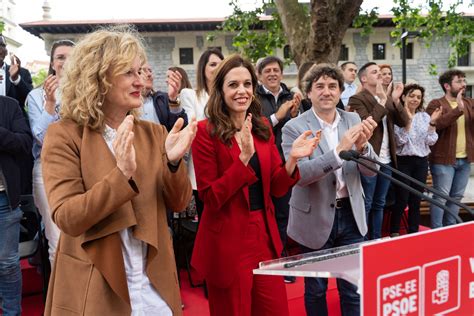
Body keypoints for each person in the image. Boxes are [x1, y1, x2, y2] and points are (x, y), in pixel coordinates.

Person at [41, 26, 196, 315]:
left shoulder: (153, 132)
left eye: (140, 71)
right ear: (98, 79)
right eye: (129, 73)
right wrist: (120, 176)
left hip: (153, 287)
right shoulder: (64, 135)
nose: (141, 81)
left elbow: (179, 203)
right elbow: (68, 217)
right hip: (96, 286)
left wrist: (174, 164)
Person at [191, 54, 319, 316]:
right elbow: (210, 197)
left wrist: (293, 159)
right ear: (220, 90)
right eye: (233, 85)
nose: (242, 91)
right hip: (228, 241)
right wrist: (243, 161)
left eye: (247, 84)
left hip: (265, 235)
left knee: (276, 310)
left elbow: (277, 187)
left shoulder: (262, 127)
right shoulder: (205, 132)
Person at [282, 64, 378, 316]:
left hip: (351, 214)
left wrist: (364, 148)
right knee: (315, 289)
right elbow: (300, 176)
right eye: (320, 87)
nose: (326, 92)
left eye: (332, 86)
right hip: (314, 217)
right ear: (309, 93)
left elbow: (370, 171)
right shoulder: (294, 127)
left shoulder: (353, 119)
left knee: (351, 287)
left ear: (340, 91)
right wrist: (338, 152)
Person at [27, 39, 75, 266]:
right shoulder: (36, 96)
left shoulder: (87, 92)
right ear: (52, 63)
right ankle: (63, 301)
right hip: (47, 171)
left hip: (80, 168)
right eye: (60, 57)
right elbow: (42, 138)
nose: (65, 62)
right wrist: (50, 105)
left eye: (70, 57)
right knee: (58, 241)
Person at [348, 62, 409, 240]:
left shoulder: (386, 97)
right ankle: (363, 241)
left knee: (379, 203)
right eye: (375, 72)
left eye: (381, 72)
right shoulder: (357, 99)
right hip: (369, 159)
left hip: (388, 160)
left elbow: (403, 121)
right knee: (366, 203)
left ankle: (375, 240)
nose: (380, 75)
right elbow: (368, 123)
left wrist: (395, 100)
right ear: (364, 78)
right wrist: (382, 102)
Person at [255, 56, 301, 282]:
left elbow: (301, 128)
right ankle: (264, 259)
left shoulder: (292, 96)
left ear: (282, 74)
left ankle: (281, 260)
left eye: (276, 70)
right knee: (263, 215)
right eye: (267, 71)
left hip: (286, 164)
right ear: (260, 75)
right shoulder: (253, 97)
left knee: (284, 215)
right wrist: (277, 116)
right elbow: (253, 128)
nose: (272, 74)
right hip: (259, 164)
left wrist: (294, 115)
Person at [389, 84, 441, 236]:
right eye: (412, 96)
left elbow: (430, 141)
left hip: (421, 162)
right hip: (403, 161)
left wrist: (432, 123)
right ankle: (394, 232)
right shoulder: (397, 116)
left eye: (418, 97)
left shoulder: (424, 117)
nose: (415, 99)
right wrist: (408, 122)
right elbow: (399, 141)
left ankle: (413, 233)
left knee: (416, 200)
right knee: (402, 199)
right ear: (403, 97)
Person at [426, 69, 474, 228]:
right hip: (443, 161)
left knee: (456, 197)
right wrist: (457, 110)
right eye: (459, 81)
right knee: (441, 197)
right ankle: (437, 231)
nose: (463, 84)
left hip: (465, 159)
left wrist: (463, 107)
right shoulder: (436, 104)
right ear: (447, 85)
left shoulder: (469, 103)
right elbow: (436, 125)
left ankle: (450, 229)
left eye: (464, 81)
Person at [180, 48, 224, 219]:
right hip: (202, 168)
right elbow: (193, 125)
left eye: (221, 64)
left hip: (229, 165)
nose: (218, 68)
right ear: (203, 69)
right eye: (213, 64)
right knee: (208, 223)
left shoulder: (231, 96)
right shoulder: (190, 95)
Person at [0, 95, 33, 316]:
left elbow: (25, 142)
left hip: (4, 199)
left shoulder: (9, 106)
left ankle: (12, 313)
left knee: (7, 263)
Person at [0, 34, 34, 195]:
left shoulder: (21, 73)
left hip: (13, 140)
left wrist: (16, 79)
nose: (0, 48)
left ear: (6, 51)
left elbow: (31, 100)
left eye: (2, 45)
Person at [140, 62, 187, 131]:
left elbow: (181, 127)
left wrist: (173, 99)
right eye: (144, 71)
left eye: (150, 71)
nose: (149, 74)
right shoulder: (127, 103)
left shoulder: (162, 99)